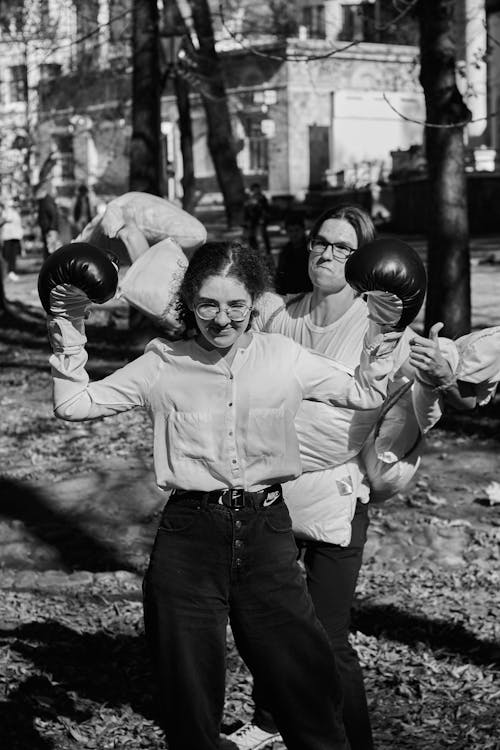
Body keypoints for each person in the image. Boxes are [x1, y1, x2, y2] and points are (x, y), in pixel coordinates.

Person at [40, 238, 410, 750]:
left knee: (308, 695)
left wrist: (383, 330)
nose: (222, 318)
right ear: (189, 303)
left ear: (255, 302)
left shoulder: (284, 356)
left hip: (268, 536)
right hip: (188, 540)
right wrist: (68, 324)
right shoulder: (161, 364)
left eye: (236, 304)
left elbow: (366, 391)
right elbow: (75, 403)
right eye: (208, 304)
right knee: (189, 708)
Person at [227, 205, 444, 750]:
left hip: (336, 493)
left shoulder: (384, 327)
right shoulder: (282, 315)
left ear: (366, 259)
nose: (327, 254)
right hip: (269, 490)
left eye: (344, 248)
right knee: (263, 621)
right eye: (321, 242)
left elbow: (424, 394)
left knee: (326, 635)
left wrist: (441, 379)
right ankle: (271, 720)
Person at [274, 212, 312, 295]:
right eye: (291, 231)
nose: (294, 234)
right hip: (291, 296)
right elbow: (280, 276)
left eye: (297, 230)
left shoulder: (311, 250)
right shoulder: (285, 251)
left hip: (308, 294)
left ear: (303, 230)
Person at [243, 183, 271, 255]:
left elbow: (265, 210)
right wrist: (247, 220)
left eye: (257, 189)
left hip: (260, 221)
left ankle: (266, 251)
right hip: (252, 221)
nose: (256, 191)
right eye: (254, 189)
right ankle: (254, 251)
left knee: (262, 236)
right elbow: (247, 211)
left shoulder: (262, 199)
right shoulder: (249, 199)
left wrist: (263, 219)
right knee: (252, 237)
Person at [0, 197, 23, 281]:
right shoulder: (7, 211)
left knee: (12, 256)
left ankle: (11, 272)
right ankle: (8, 273)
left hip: (15, 236)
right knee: (7, 257)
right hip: (8, 237)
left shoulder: (15, 212)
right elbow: (5, 219)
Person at [37, 181, 60, 259]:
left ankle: (51, 268)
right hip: (48, 229)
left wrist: (51, 229)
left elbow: (53, 215)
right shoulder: (45, 201)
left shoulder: (46, 201)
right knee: (49, 249)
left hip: (49, 229)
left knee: (51, 250)